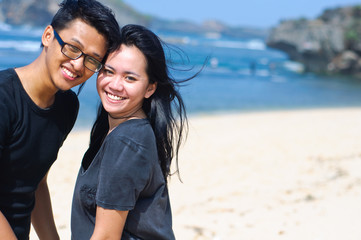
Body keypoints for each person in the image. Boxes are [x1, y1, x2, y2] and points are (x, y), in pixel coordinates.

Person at [0, 0, 120, 239]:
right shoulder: (4, 97)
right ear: (47, 36)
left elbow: (36, 182)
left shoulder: (66, 107)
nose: (77, 65)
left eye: (92, 60)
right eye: (72, 48)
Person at [71, 24, 197, 239]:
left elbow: (106, 237)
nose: (115, 85)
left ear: (150, 88)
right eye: (108, 71)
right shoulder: (123, 131)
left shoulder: (127, 140)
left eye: (130, 78)